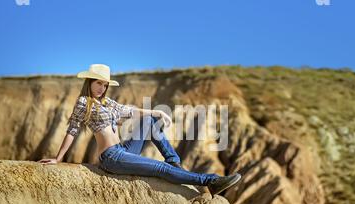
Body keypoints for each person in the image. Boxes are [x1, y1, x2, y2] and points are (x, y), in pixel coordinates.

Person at [38, 64, 241, 195]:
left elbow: (130, 111)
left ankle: (173, 160)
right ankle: (211, 181)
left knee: (150, 121)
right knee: (161, 170)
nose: (102, 88)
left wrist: (157, 113)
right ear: (89, 82)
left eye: (105, 84)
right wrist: (58, 158)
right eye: (98, 83)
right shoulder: (84, 102)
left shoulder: (108, 102)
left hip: (124, 150)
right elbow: (72, 130)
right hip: (111, 157)